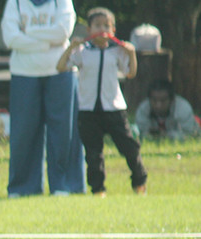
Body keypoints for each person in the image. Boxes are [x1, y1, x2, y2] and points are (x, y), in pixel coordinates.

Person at [57, 7, 147, 196]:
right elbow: (61, 66)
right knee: (93, 153)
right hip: (88, 110)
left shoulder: (116, 51)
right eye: (97, 25)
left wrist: (131, 53)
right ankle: (98, 189)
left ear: (113, 30)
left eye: (107, 25)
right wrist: (70, 48)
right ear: (89, 29)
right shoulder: (83, 51)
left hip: (113, 108)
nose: (102, 29)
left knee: (129, 147)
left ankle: (139, 182)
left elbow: (130, 73)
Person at [1, 0, 85, 197]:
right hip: (23, 72)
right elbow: (10, 38)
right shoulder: (15, 3)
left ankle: (65, 185)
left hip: (61, 72)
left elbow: (62, 32)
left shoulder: (61, 2)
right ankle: (23, 187)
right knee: (24, 132)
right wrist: (48, 41)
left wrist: (27, 32)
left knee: (64, 131)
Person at [135, 79, 201, 141]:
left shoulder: (183, 109)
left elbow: (189, 135)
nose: (158, 105)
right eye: (154, 100)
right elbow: (140, 133)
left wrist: (166, 135)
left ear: (172, 100)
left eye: (163, 100)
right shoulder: (143, 110)